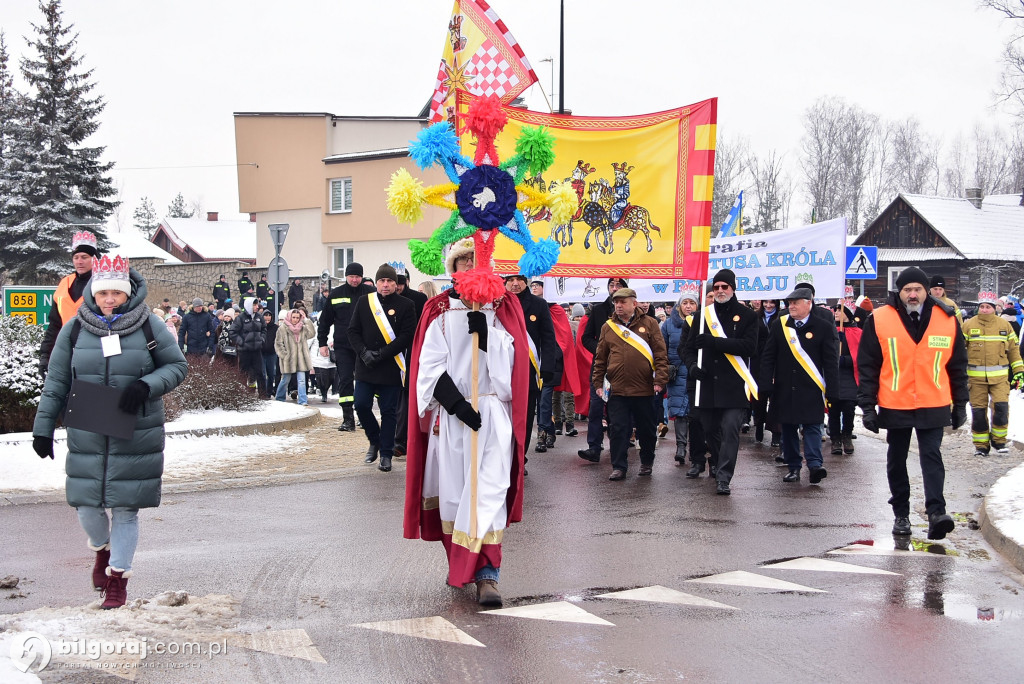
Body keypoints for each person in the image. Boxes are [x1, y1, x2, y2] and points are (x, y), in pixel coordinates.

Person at [32, 255, 187, 609]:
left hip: (135, 432)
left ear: (127, 292)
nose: (109, 299)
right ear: (93, 293)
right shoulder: (74, 329)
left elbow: (177, 366)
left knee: (126, 509)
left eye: (117, 292)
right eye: (104, 293)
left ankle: (118, 579)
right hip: (88, 430)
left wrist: (146, 386)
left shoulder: (149, 325)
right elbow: (57, 381)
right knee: (86, 506)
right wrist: (43, 428)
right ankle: (102, 551)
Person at [403, 237, 529, 606]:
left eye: (478, 260)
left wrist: (488, 336)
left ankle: (488, 575)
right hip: (455, 417)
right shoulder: (439, 310)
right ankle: (462, 563)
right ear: (453, 269)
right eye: (463, 261)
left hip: (492, 413)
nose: (470, 266)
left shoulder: (504, 307)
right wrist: (457, 405)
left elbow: (514, 374)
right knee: (457, 497)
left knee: (489, 491)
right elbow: (427, 368)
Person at [857, 266, 969, 539]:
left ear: (926, 290)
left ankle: (936, 513)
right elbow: (868, 365)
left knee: (932, 456)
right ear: (900, 291)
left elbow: (957, 365)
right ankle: (901, 515)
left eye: (917, 289)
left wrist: (961, 403)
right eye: (907, 289)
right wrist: (868, 407)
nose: (913, 294)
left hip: (934, 400)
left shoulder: (947, 318)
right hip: (896, 401)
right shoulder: (880, 319)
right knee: (897, 459)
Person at [682, 269, 758, 495]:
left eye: (724, 287)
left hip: (733, 385)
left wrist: (715, 342)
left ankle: (724, 477)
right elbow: (687, 348)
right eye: (716, 288)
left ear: (733, 288)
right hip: (706, 386)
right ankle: (716, 462)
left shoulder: (747, 316)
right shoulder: (702, 316)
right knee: (710, 429)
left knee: (730, 429)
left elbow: (749, 347)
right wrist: (692, 366)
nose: (720, 291)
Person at [760, 288, 839, 484]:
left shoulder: (822, 326)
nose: (791, 306)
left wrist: (833, 389)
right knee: (788, 427)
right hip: (785, 386)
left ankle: (814, 465)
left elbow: (830, 362)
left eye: (796, 302)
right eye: (789, 303)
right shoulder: (781, 325)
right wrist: (765, 383)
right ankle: (794, 466)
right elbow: (768, 356)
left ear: (808, 303)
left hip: (811, 387)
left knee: (812, 426)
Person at [591, 287, 669, 480]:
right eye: (616, 302)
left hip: (645, 388)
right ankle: (619, 466)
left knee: (647, 429)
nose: (618, 306)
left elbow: (660, 354)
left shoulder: (650, 324)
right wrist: (598, 383)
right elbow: (600, 358)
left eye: (623, 302)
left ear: (634, 303)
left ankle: (646, 462)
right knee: (617, 429)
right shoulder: (608, 327)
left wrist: (660, 379)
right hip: (617, 389)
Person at [348, 264, 416, 472]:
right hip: (366, 365)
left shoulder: (406, 305)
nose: (385, 285)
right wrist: (363, 352)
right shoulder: (364, 302)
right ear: (376, 283)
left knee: (388, 412)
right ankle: (374, 440)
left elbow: (407, 335)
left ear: (396, 284)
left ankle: (385, 454)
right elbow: (353, 331)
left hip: (391, 366)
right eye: (382, 281)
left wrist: (382, 353)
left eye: (390, 282)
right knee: (360, 405)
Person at [504, 273, 559, 455]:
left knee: (526, 418)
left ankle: (520, 457)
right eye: (510, 280)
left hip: (529, 371)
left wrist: (547, 368)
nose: (515, 284)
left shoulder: (539, 304)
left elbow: (548, 338)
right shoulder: (498, 303)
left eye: (518, 280)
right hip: (503, 370)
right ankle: (505, 456)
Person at [962, 290, 1023, 456]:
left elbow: (1014, 351)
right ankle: (981, 446)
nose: (984, 309)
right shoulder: (968, 325)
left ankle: (999, 441)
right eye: (982, 306)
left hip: (1000, 379)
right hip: (976, 380)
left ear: (994, 308)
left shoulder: (1004, 325)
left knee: (1001, 409)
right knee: (979, 412)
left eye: (988, 307)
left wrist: (1019, 371)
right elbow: (959, 352)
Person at [318, 263, 374, 431]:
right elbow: (325, 321)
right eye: (351, 277)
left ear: (362, 277)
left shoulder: (370, 293)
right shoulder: (336, 294)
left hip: (365, 346)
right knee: (345, 381)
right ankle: (348, 419)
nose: (355, 280)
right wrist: (322, 343)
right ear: (346, 277)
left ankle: (364, 417)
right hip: (343, 346)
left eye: (357, 277)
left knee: (366, 382)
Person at [578, 277, 629, 463]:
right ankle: (594, 447)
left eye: (618, 286)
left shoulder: (632, 311)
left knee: (620, 408)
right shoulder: (598, 309)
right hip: (600, 368)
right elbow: (586, 338)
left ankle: (620, 444)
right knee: (596, 407)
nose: (614, 288)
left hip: (623, 369)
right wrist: (601, 351)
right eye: (612, 285)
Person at [39, 230, 98, 377]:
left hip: (94, 354)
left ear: (94, 258)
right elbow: (54, 325)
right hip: (65, 352)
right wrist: (45, 355)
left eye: (85, 257)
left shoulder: (102, 284)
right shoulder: (64, 283)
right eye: (76, 257)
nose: (79, 261)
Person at [662, 287, 698, 466]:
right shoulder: (669, 324)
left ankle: (696, 448)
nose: (689, 306)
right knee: (679, 412)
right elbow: (662, 348)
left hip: (695, 372)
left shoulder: (702, 323)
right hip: (676, 374)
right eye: (685, 303)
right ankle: (681, 447)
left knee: (695, 411)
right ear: (679, 306)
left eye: (692, 303)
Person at [829, 304, 862, 455]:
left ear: (847, 314)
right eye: (835, 310)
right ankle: (835, 438)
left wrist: (846, 360)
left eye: (839, 310)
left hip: (849, 375)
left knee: (849, 407)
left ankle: (847, 435)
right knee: (833, 408)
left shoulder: (858, 333)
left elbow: (862, 354)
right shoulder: (830, 330)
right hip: (833, 375)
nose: (836, 313)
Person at [752, 299, 781, 446]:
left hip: (777, 362)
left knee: (776, 399)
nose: (768, 305)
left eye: (772, 303)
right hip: (758, 362)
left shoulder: (782, 317)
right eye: (766, 302)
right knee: (759, 398)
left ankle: (776, 432)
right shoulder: (755, 317)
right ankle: (758, 426)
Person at [274, 308, 316, 405]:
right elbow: (278, 344)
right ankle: (280, 398)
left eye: (298, 317)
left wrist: (305, 320)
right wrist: (284, 355)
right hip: (288, 359)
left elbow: (312, 334)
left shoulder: (303, 328)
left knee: (301, 380)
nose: (296, 319)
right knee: (285, 380)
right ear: (289, 317)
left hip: (301, 358)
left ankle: (302, 400)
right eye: (294, 317)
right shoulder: (282, 328)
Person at [229, 297, 267, 396]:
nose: (256, 307)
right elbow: (232, 332)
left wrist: (262, 339)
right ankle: (240, 395)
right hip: (244, 350)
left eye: (257, 304)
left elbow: (264, 330)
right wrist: (241, 342)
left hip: (256, 350)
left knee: (260, 373)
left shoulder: (259, 317)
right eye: (254, 305)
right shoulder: (240, 318)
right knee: (243, 373)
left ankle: (263, 396)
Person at [261, 309, 279, 397]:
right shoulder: (260, 327)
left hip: (272, 353)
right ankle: (263, 392)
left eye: (269, 317)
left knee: (271, 373)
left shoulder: (275, 328)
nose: (267, 319)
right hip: (261, 353)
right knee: (263, 374)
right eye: (265, 316)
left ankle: (269, 391)